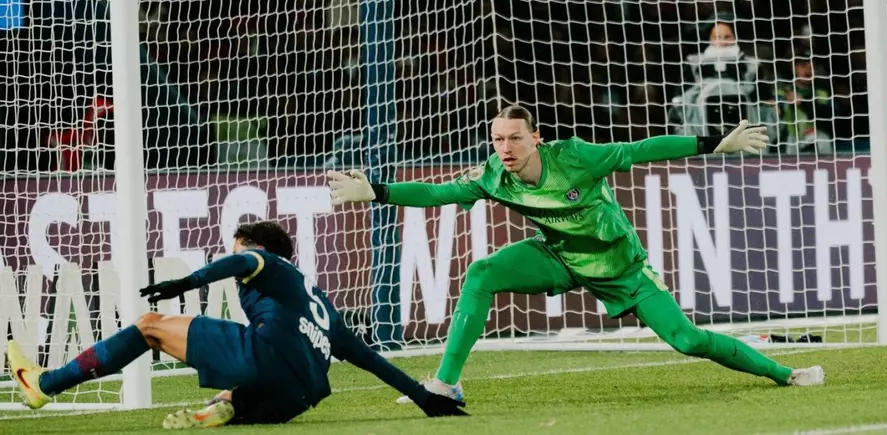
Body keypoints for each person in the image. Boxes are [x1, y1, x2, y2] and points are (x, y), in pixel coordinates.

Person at [326, 105, 824, 405]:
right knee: (482, 272)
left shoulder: (574, 158)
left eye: (515, 138)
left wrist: (714, 144)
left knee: (688, 340)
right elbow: (439, 193)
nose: (505, 147)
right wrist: (376, 191)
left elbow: (639, 149)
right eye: (498, 139)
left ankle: (786, 373)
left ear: (535, 138)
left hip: (620, 267)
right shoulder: (493, 175)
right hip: (560, 257)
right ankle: (445, 384)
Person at [6, 221, 466, 428]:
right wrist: (423, 398)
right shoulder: (320, 303)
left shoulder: (265, 262)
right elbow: (368, 358)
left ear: (256, 247)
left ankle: (44, 384)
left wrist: (188, 281)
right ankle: (228, 406)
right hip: (299, 396)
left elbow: (244, 261)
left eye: (237, 247)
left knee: (149, 325)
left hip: (265, 355)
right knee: (245, 387)